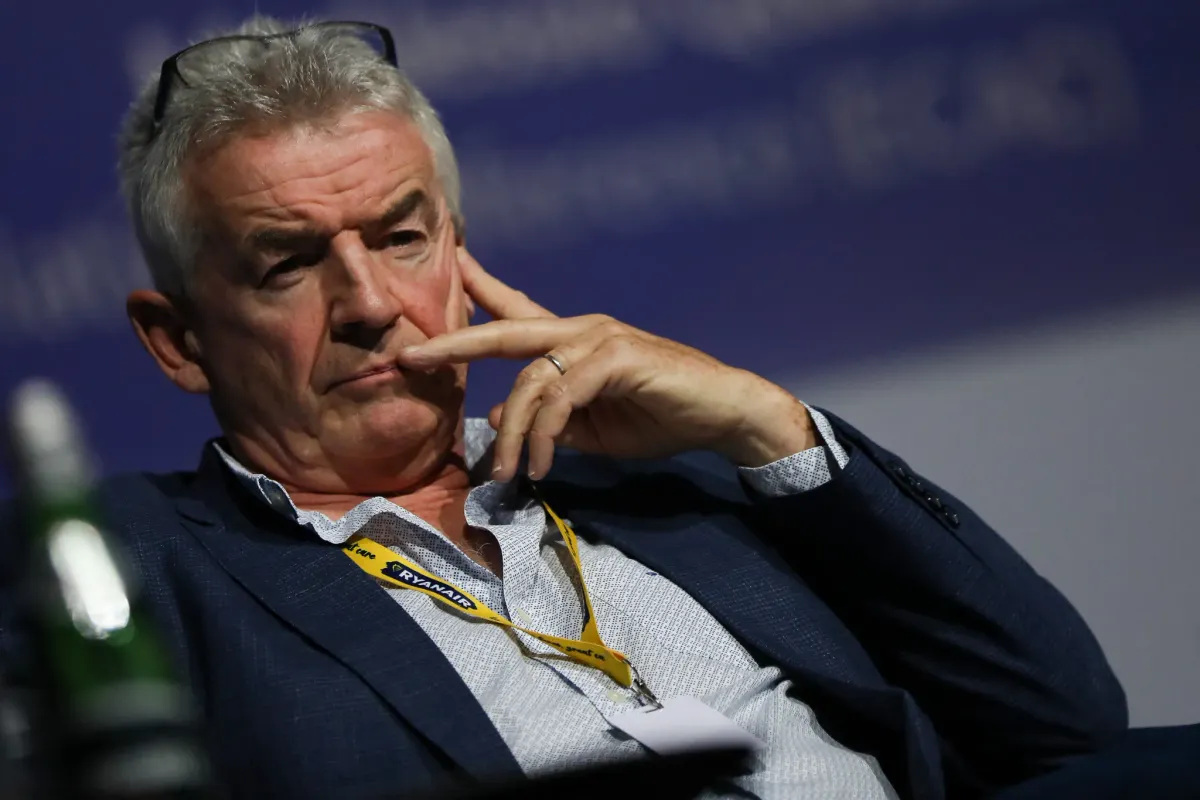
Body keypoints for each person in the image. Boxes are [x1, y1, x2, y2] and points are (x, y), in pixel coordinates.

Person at [5, 15, 1183, 800]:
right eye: (288, 262)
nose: (369, 303)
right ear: (178, 340)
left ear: (457, 250)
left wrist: (766, 423)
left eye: (401, 237)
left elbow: (1063, 721)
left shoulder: (667, 479)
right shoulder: (124, 571)